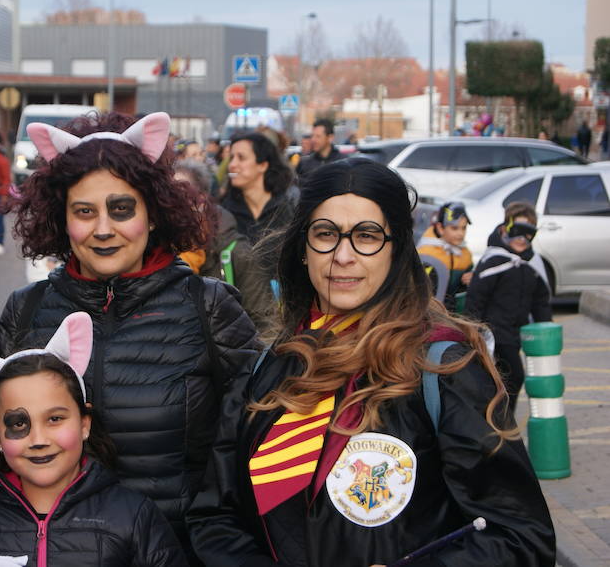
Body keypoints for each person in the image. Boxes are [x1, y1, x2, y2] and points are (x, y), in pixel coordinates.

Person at [188, 157, 555, 566]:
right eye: (325, 234)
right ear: (304, 249)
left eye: (367, 236)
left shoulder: (443, 368)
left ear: (395, 250)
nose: (343, 256)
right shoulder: (267, 369)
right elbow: (214, 517)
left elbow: (522, 537)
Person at [0, 112, 259, 563]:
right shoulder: (27, 310)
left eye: (121, 208)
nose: (103, 228)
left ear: (152, 212)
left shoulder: (209, 308)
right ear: (61, 218)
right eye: (84, 211)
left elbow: (256, 438)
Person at [0, 312, 187, 566]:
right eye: (19, 423)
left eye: (55, 419)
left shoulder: (134, 517)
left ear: (84, 423)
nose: (38, 439)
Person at [466, 201, 552, 414]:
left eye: (529, 233)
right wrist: (472, 331)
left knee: (507, 382)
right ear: (505, 229)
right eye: (517, 231)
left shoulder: (531, 263)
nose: (522, 239)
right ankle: (500, 422)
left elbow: (540, 300)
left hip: (515, 333)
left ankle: (503, 421)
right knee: (511, 377)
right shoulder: (494, 261)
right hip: (493, 332)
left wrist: (545, 329)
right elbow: (476, 298)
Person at [174, 158, 276, 337]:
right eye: (166, 196)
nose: (172, 204)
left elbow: (266, 325)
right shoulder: (153, 252)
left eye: (181, 195)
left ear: (202, 200)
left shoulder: (237, 253)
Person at [220, 131, 295, 245]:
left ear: (263, 165)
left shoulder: (286, 210)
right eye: (231, 158)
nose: (232, 165)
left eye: (241, 157)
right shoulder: (223, 212)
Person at [416, 201, 474, 312]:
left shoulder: (465, 254)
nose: (460, 233)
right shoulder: (427, 254)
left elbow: (461, 291)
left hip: (454, 312)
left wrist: (469, 280)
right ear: (440, 228)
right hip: (431, 313)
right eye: (454, 228)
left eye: (464, 228)